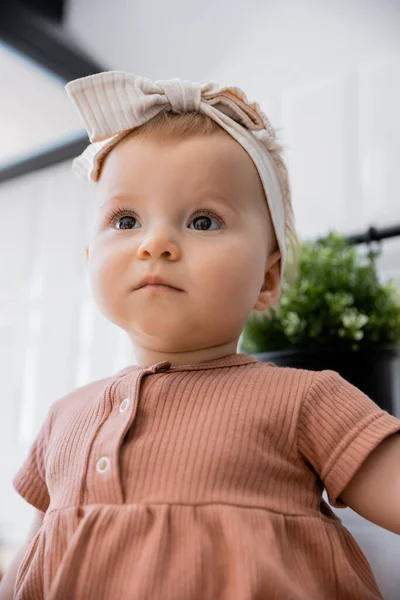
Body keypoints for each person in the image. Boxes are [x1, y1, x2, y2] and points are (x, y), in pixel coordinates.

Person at [1, 71, 400, 600]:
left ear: (268, 278)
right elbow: (30, 568)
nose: (157, 243)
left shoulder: (306, 398)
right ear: (90, 258)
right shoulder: (62, 419)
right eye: (125, 221)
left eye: (204, 222)